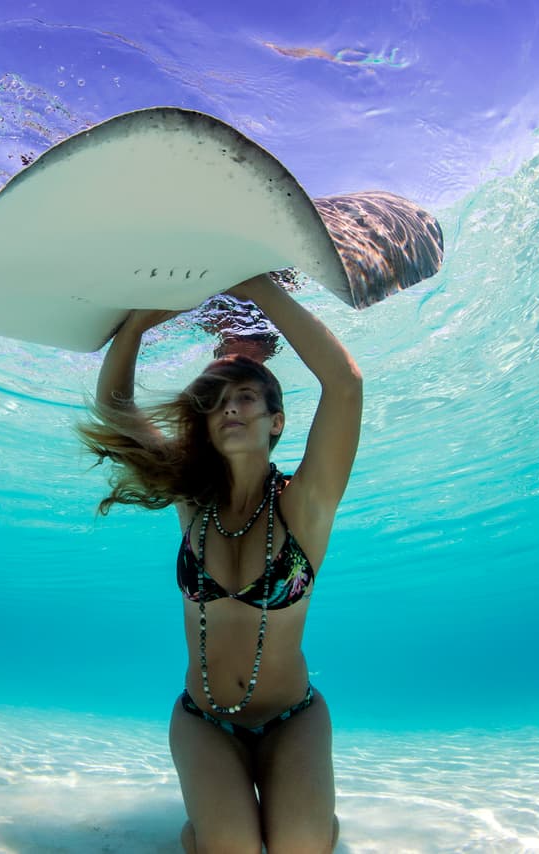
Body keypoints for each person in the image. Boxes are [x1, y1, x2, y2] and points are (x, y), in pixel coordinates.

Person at [79, 273, 362, 853]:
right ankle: (213, 828)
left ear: (276, 421)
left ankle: (302, 820)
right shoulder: (194, 502)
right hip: (204, 720)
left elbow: (345, 385)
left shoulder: (305, 505)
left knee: (301, 849)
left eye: (248, 398)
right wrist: (136, 322)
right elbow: (115, 406)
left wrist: (257, 285)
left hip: (294, 717)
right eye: (218, 404)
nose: (231, 409)